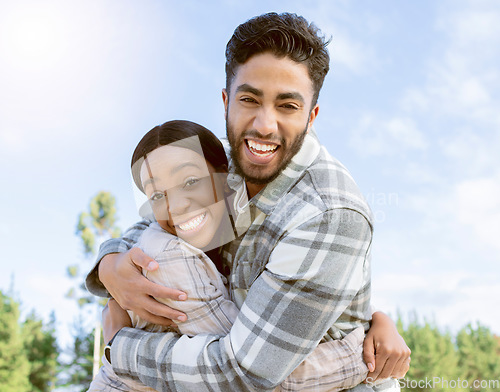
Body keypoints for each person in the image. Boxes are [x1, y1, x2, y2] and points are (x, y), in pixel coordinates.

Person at [86, 12, 411, 391]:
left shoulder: (329, 213)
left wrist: (120, 349)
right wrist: (110, 264)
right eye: (249, 99)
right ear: (226, 102)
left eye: (287, 106)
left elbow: (245, 375)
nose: (264, 125)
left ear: (311, 117)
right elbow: (163, 214)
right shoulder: (223, 160)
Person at [88, 120, 374, 392]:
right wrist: (358, 357)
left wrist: (374, 319)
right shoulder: (170, 259)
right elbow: (249, 375)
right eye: (157, 196)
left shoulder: (257, 222)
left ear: (228, 178)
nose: (175, 206)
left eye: (189, 181)